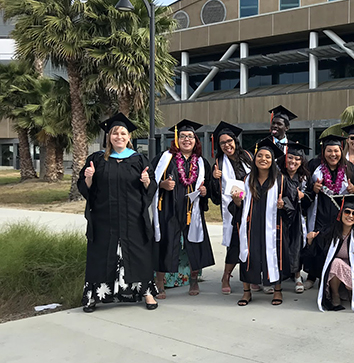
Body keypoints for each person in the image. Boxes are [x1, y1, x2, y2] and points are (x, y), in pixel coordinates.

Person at [78, 113, 159, 312]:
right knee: (101, 254)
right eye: (115, 133)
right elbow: (85, 188)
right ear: (109, 137)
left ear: (129, 137)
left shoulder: (139, 159)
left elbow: (152, 186)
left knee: (138, 253)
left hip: (133, 216)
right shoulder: (96, 159)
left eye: (123, 133)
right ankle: (95, 295)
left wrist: (147, 182)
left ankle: (146, 292)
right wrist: (88, 178)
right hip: (104, 217)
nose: (119, 137)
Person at [152, 119, 215, 298]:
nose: (186, 139)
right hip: (168, 210)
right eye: (183, 136)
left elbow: (209, 185)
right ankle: (160, 281)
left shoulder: (202, 163)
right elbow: (149, 180)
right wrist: (162, 185)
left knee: (193, 246)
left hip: (191, 211)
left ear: (196, 140)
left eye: (190, 136)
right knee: (165, 245)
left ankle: (194, 280)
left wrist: (205, 191)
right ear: (176, 139)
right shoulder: (164, 158)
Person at [233, 138, 296, 306]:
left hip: (274, 227)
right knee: (248, 257)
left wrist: (284, 205)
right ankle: (246, 292)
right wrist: (237, 202)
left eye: (267, 156)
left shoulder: (281, 180)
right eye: (260, 156)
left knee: (275, 256)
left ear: (272, 160)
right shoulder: (245, 180)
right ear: (254, 159)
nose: (263, 159)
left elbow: (292, 203)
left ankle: (277, 291)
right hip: (250, 226)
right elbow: (237, 206)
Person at [303, 134, 354, 289]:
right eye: (329, 151)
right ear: (323, 151)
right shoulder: (314, 165)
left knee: (337, 244)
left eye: (336, 151)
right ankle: (312, 275)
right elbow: (305, 189)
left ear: (341, 151)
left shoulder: (349, 168)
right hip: (320, 211)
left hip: (340, 213)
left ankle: (333, 276)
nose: (333, 154)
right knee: (317, 241)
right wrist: (313, 189)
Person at [304, 193, 354, 312]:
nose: (350, 216)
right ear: (340, 213)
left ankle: (347, 293)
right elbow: (317, 256)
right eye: (347, 212)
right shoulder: (329, 232)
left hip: (353, 279)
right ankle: (335, 295)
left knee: (337, 262)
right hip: (333, 279)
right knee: (336, 262)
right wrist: (310, 242)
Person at [209, 121, 252, 296]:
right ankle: (226, 276)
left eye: (229, 141)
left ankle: (249, 276)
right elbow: (215, 195)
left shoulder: (248, 156)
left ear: (235, 141)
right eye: (223, 143)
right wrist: (213, 178)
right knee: (235, 243)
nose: (227, 145)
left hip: (250, 205)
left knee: (251, 241)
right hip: (233, 208)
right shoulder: (218, 163)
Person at [282, 141, 312, 293]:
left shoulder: (305, 177)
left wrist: (303, 196)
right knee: (279, 245)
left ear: (302, 161)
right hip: (280, 216)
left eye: (297, 159)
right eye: (291, 157)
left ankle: (298, 276)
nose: (293, 161)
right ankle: (275, 278)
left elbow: (311, 197)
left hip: (297, 217)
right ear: (285, 157)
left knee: (296, 246)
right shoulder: (279, 174)